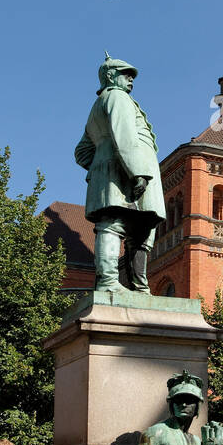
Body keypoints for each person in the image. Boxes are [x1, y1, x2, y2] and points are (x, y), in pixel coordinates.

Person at [74, 54, 165, 295]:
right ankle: (108, 283)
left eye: (132, 75)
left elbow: (82, 152)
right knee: (113, 225)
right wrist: (137, 172)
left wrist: (99, 166)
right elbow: (124, 135)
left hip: (115, 172)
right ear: (110, 76)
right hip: (126, 174)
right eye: (126, 74)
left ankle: (139, 287)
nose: (131, 79)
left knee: (140, 231)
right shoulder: (117, 97)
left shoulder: (99, 105)